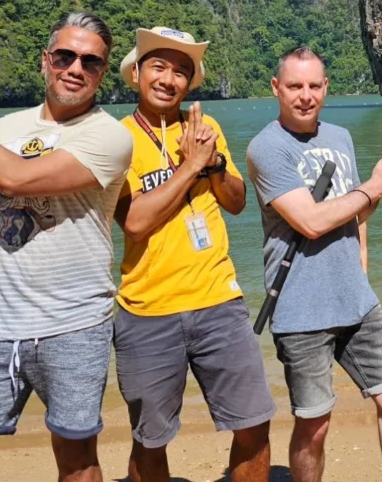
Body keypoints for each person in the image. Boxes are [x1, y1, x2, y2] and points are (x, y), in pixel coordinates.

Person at [0, 11, 133, 482]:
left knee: (76, 462)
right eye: (65, 56)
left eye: (91, 62)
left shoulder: (110, 137)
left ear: (102, 73)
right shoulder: (2, 131)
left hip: (74, 324)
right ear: (45, 61)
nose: (76, 68)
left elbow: (15, 178)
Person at [246, 46, 382, 482]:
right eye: (294, 86)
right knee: (315, 423)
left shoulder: (340, 137)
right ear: (276, 88)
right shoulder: (267, 148)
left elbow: (354, 212)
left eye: (313, 86)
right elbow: (309, 221)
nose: (305, 96)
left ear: (326, 87)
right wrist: (372, 189)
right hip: (301, 308)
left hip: (357, 300)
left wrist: (376, 198)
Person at [112, 27, 276, 482]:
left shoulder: (207, 129)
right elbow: (135, 221)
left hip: (218, 302)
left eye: (181, 71)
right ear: (138, 73)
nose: (169, 79)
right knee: (150, 436)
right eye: (159, 67)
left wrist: (215, 163)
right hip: (146, 310)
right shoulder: (117, 140)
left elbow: (237, 201)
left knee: (253, 421)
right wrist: (190, 167)